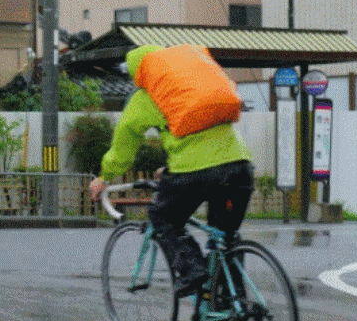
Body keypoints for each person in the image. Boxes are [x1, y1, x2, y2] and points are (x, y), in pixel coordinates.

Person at [90, 44, 254, 299]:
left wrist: (104, 178)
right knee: (226, 238)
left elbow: (124, 145)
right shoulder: (195, 85)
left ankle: (191, 270)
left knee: (162, 217)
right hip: (239, 168)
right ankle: (232, 312)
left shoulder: (146, 98)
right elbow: (206, 140)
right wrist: (169, 168)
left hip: (195, 172)